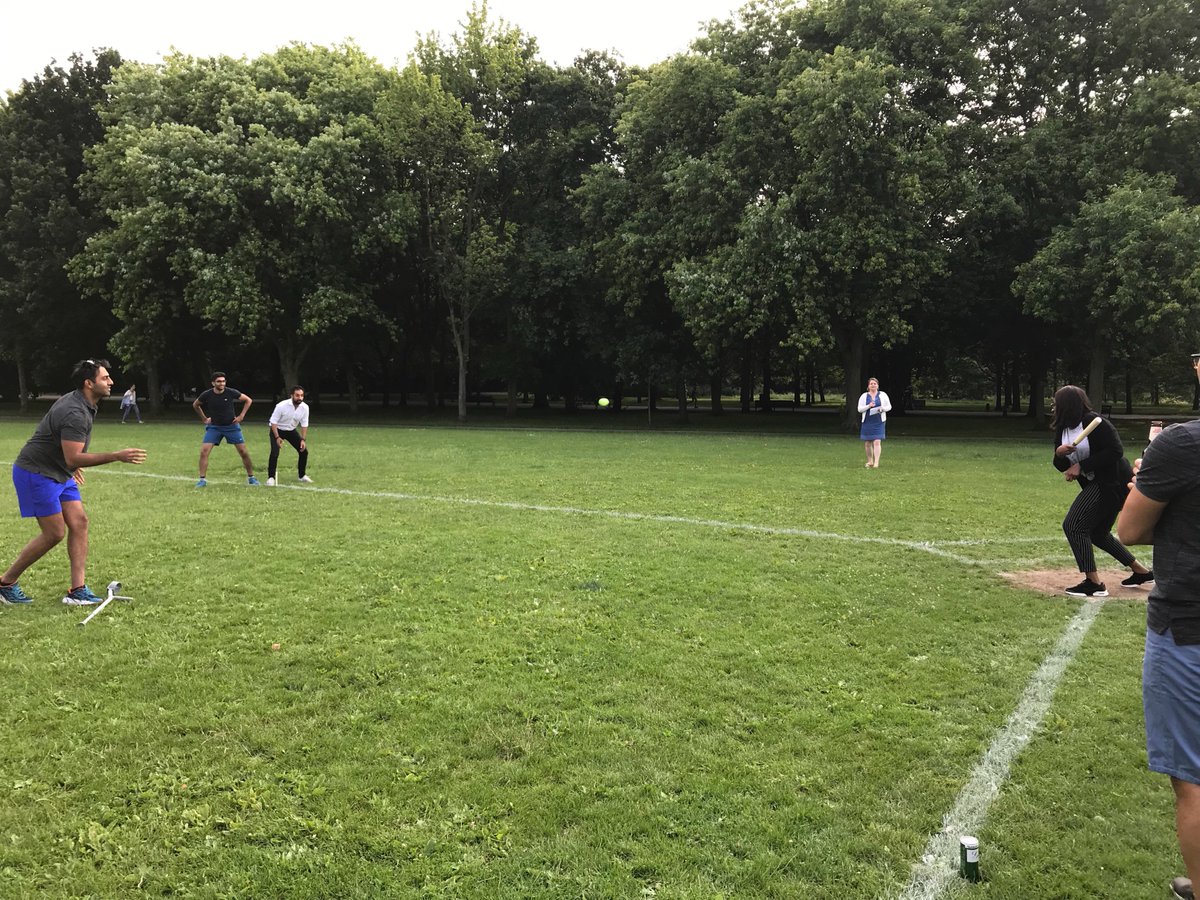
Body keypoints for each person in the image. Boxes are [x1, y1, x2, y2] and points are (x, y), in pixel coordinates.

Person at [1118, 394, 1200, 900]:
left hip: (1188, 629)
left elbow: (1130, 528)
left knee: (1192, 779)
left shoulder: (1183, 443)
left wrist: (1148, 486)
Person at [0, 359, 147, 606]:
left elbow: (64, 445)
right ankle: (6, 583)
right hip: (37, 473)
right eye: (105, 378)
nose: (111, 382)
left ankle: (77, 590)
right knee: (54, 533)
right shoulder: (75, 411)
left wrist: (73, 464)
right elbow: (73, 455)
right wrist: (115, 456)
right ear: (88, 384)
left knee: (79, 522)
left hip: (60, 472)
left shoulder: (83, 402)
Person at [1050, 384, 1151, 597]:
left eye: (1057, 402)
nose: (1053, 405)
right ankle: (1141, 572)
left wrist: (1082, 466)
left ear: (1067, 405)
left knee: (1074, 525)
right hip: (1096, 483)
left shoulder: (1096, 423)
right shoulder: (1063, 429)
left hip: (1112, 483)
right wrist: (1060, 455)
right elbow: (1061, 464)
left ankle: (1093, 583)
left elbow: (1116, 451)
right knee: (1098, 533)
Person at [193, 372, 260, 487]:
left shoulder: (231, 392)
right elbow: (196, 405)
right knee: (204, 452)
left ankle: (251, 478)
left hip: (231, 426)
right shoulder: (207, 394)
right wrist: (204, 418)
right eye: (219, 381)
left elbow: (248, 400)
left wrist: (241, 416)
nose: (222, 383)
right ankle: (202, 480)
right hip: (214, 427)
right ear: (213, 383)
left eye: (223, 381)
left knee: (243, 452)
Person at [267, 385, 313, 486]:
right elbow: (273, 422)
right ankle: (271, 478)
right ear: (292, 395)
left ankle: (302, 476)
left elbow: (304, 424)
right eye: (297, 395)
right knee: (275, 453)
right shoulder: (281, 406)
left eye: (301, 396)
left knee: (304, 451)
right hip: (277, 430)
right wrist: (277, 437)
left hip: (291, 430)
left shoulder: (305, 408)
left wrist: (303, 439)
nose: (299, 398)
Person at [857, 377, 891, 468]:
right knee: (868, 442)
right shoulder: (864, 396)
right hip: (867, 421)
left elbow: (889, 407)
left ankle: (876, 462)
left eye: (874, 384)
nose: (873, 385)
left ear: (877, 385)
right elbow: (859, 409)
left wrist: (882, 409)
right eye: (871, 384)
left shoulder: (883, 395)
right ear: (868, 386)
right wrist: (869, 406)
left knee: (877, 441)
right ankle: (870, 461)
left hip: (879, 421)